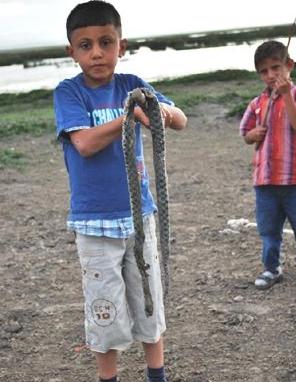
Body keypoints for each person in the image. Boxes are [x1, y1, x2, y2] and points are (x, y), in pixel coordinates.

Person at [53, 1, 187, 381]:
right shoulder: (68, 93)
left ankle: (156, 374)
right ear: (72, 52)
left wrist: (160, 111)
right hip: (94, 224)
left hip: (139, 218)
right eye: (85, 45)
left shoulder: (134, 85)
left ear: (121, 46)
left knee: (149, 302)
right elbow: (85, 144)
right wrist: (127, 116)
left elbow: (180, 120)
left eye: (106, 42)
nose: (96, 52)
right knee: (105, 311)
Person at [239, 40, 296, 292]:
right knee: (268, 229)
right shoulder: (257, 103)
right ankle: (272, 267)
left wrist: (286, 95)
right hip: (265, 181)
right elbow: (245, 133)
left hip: (295, 179)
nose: (271, 75)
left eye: (276, 67)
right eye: (264, 71)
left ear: (289, 66)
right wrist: (254, 133)